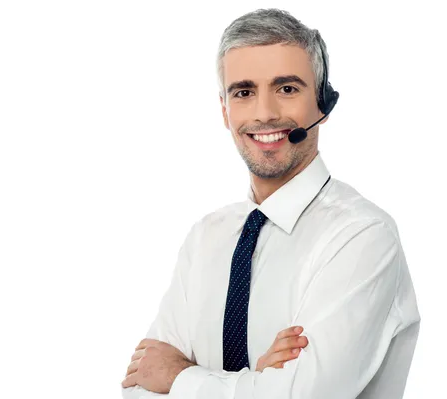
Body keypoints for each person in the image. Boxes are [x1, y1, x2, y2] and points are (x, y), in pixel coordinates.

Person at [120, 8, 420, 399]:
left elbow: (303, 396)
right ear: (225, 111)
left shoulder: (362, 235)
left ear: (323, 104)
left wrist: (181, 378)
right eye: (244, 92)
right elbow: (139, 385)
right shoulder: (205, 238)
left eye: (287, 89)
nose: (264, 113)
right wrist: (254, 384)